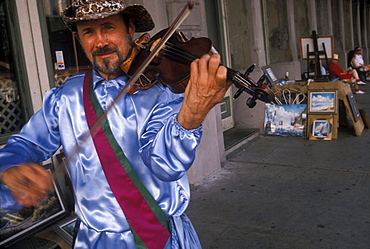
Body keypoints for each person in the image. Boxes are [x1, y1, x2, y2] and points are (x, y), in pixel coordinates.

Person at [0, 1, 231, 248]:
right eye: (88, 32)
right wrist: (10, 167)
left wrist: (191, 116)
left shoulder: (162, 90)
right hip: (95, 241)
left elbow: (166, 165)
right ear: (78, 38)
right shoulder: (67, 95)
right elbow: (25, 143)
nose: (100, 42)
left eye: (108, 27)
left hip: (157, 235)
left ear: (130, 29)